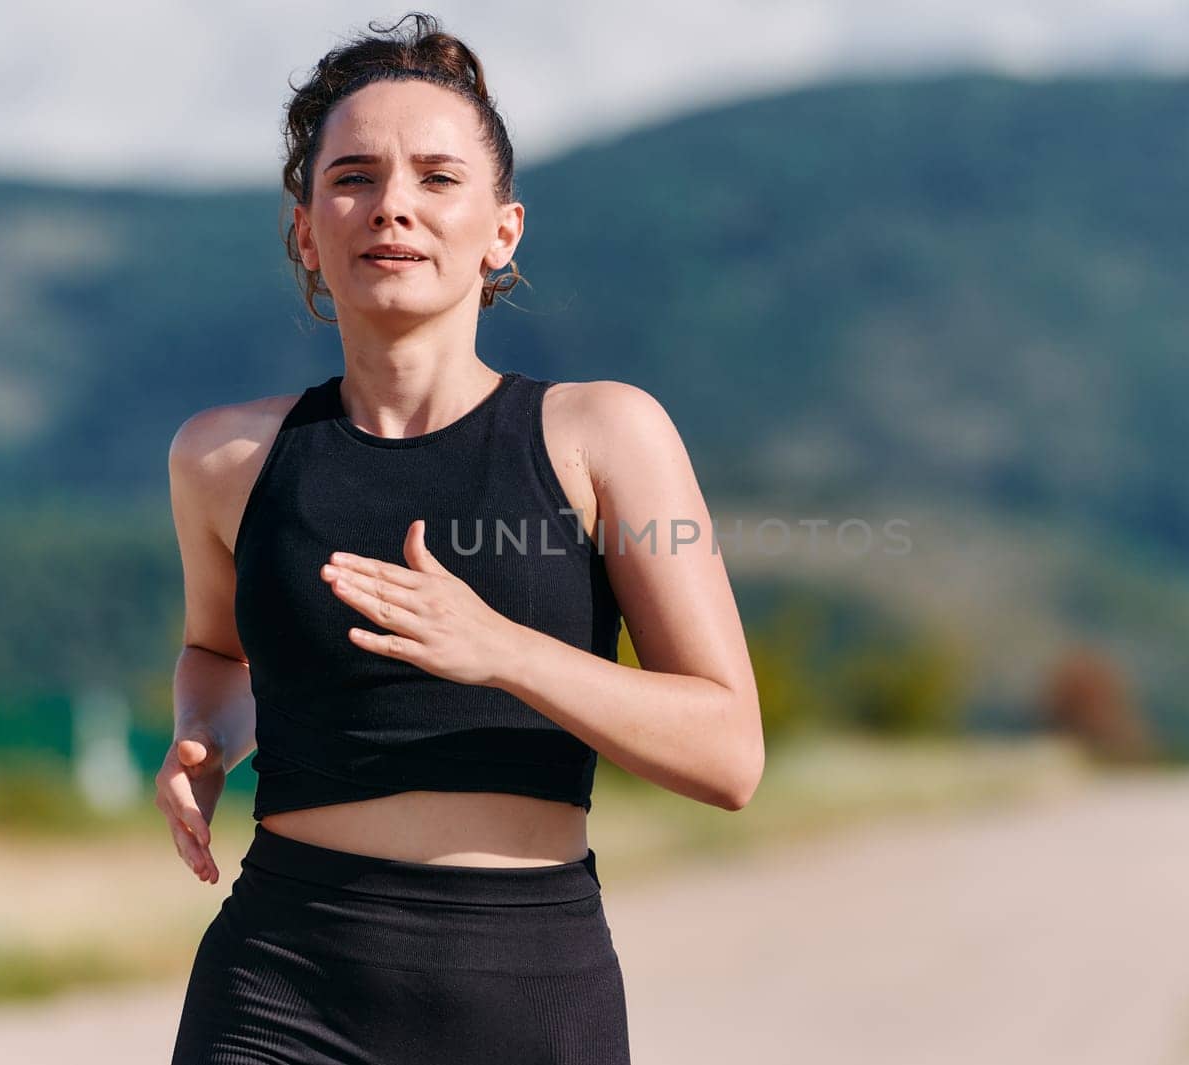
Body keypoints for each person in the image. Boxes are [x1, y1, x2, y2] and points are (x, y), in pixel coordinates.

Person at [158, 12, 763, 1063]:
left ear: (501, 230)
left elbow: (729, 753)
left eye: (437, 178)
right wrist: (205, 738)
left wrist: (503, 653)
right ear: (307, 229)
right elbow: (219, 653)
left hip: (524, 992)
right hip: (279, 983)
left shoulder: (602, 436)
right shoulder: (224, 460)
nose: (392, 205)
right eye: (352, 176)